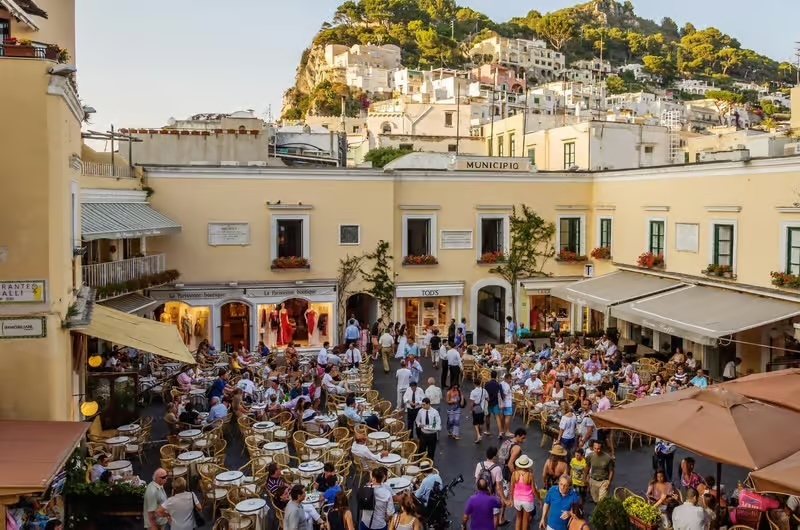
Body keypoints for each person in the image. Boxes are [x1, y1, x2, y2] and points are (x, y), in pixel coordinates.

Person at [474, 447, 510, 527]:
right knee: (495, 515)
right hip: (492, 496)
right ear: (494, 457)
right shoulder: (497, 468)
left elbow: (477, 480)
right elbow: (499, 487)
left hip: (480, 495)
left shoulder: (479, 465)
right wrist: (505, 499)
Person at [511, 455, 538, 530]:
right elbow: (533, 490)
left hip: (517, 499)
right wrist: (539, 499)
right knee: (525, 520)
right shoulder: (530, 475)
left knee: (518, 517)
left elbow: (512, 488)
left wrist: (511, 499)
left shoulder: (514, 474)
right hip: (527, 500)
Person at [484, 371, 504, 440]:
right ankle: (500, 432)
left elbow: (485, 393)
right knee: (497, 417)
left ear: (490, 375)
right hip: (495, 402)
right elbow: (501, 394)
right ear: (496, 376)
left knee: (487, 416)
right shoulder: (498, 385)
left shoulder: (487, 384)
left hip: (488, 402)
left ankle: (488, 430)